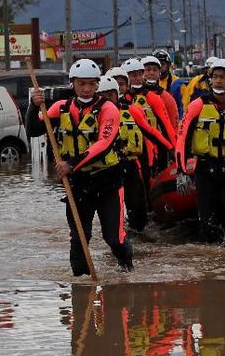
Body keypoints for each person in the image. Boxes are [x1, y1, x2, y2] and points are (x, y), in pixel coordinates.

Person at [27, 59, 133, 275]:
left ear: (97, 84)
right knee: (79, 238)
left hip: (107, 183)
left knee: (113, 238)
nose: (87, 89)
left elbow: (104, 145)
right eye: (81, 84)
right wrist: (33, 105)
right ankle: (80, 287)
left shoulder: (108, 109)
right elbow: (34, 130)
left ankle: (126, 271)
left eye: (92, 84)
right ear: (72, 84)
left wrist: (71, 164)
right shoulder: (62, 107)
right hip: (78, 184)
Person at [176, 58, 225, 246]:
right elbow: (182, 138)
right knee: (207, 225)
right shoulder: (197, 106)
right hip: (205, 169)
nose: (218, 81)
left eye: (223, 77)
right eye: (215, 77)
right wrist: (181, 171)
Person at [100, 71, 173, 235]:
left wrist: (172, 149)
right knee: (112, 209)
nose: (106, 98)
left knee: (138, 210)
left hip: (130, 165)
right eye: (102, 95)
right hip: (106, 168)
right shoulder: (93, 114)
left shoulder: (132, 111)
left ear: (117, 94)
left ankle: (137, 233)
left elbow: (152, 133)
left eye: (110, 94)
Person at [121, 57, 177, 179]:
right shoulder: (119, 101)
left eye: (140, 75)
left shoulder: (154, 97)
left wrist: (173, 149)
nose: (137, 78)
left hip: (153, 147)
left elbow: (167, 125)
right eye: (133, 76)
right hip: (127, 151)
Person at [141, 55, 181, 129]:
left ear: (159, 73)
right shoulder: (134, 95)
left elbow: (174, 123)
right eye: (148, 70)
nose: (152, 73)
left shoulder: (166, 97)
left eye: (155, 70)